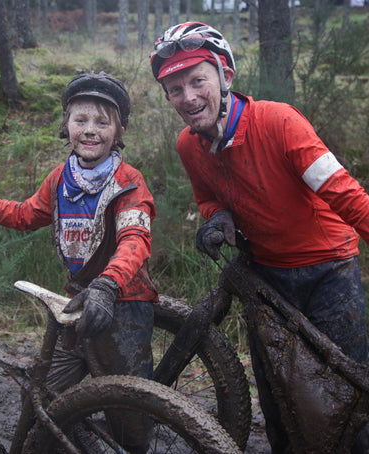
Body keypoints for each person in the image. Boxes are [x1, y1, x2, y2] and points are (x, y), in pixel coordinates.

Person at [150, 21, 369, 453]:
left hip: (329, 270)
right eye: (175, 89)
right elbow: (208, 197)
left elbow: (346, 195)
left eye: (197, 81)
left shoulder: (280, 122)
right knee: (277, 393)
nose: (188, 97)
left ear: (225, 77)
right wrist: (217, 220)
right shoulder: (188, 145)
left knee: (344, 394)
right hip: (264, 275)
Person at [0, 71, 157, 453]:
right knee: (45, 399)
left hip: (124, 309)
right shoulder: (60, 179)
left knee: (129, 417)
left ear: (119, 130)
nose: (90, 130)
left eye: (103, 121)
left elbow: (135, 239)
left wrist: (108, 284)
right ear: (65, 126)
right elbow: (25, 213)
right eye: (80, 119)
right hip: (77, 303)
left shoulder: (128, 182)